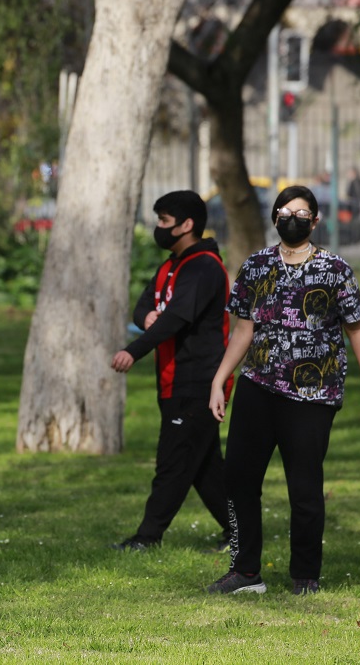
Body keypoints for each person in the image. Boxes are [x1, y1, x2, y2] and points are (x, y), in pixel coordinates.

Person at [205, 185, 360, 596]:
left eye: (301, 213)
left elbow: (356, 329)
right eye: (285, 211)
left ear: (315, 221)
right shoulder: (255, 266)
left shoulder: (335, 270)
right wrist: (221, 380)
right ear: (274, 218)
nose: (293, 219)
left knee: (304, 488)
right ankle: (245, 571)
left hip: (312, 394)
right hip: (257, 385)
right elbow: (242, 331)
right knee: (238, 479)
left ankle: (305, 576)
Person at [109, 190, 233, 552]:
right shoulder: (170, 265)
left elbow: (177, 318)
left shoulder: (204, 266)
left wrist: (134, 351)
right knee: (204, 466)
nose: (159, 228)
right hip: (172, 381)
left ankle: (148, 537)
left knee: (173, 462)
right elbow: (146, 306)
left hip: (199, 381)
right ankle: (239, 531)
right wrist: (144, 317)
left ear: (187, 225)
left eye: (164, 221)